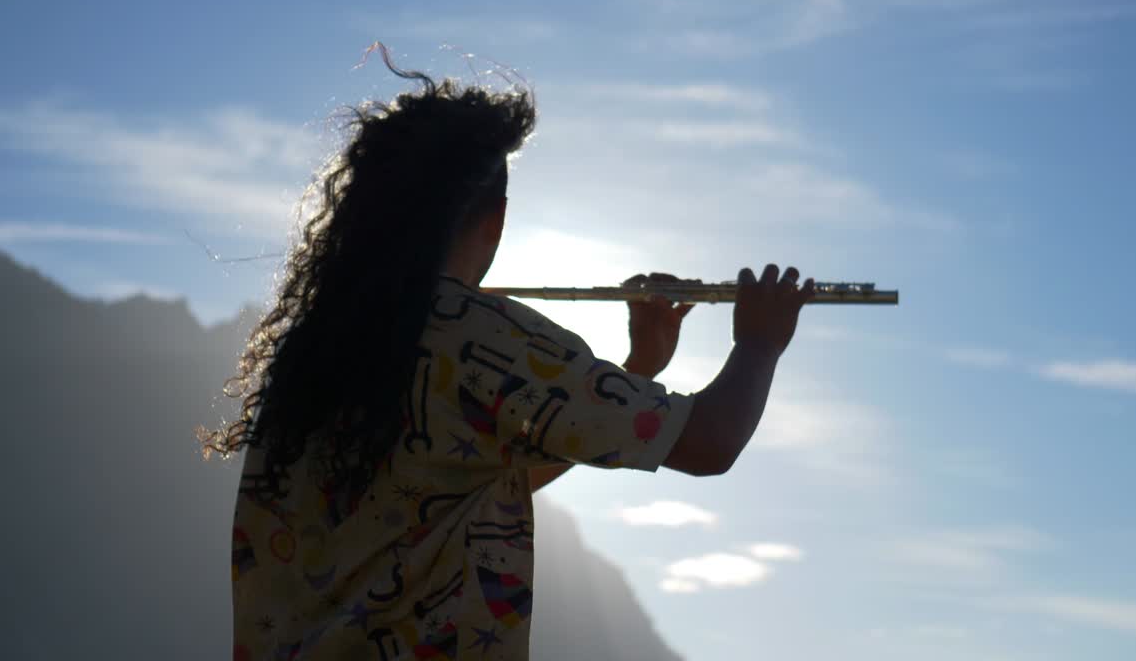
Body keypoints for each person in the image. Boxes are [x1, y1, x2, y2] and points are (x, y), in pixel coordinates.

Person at [204, 58, 814, 661]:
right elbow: (710, 442)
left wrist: (637, 369)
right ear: (494, 221)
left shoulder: (320, 347)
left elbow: (467, 489)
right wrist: (760, 341)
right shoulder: (481, 336)